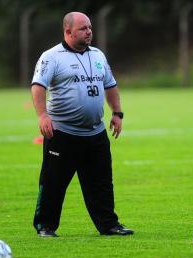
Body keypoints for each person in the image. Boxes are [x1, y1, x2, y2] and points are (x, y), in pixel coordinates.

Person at [31, 11, 133, 237]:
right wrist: (42, 116)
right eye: (83, 29)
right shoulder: (51, 57)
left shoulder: (98, 55)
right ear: (67, 32)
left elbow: (110, 85)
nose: (89, 32)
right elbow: (38, 87)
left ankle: (109, 225)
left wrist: (117, 113)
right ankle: (45, 226)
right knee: (53, 183)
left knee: (102, 184)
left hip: (95, 134)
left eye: (90, 28)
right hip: (62, 134)